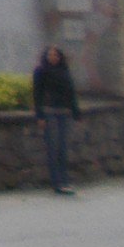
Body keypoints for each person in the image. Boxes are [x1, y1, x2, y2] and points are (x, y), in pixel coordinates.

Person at [33, 45, 81, 194]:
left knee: (63, 148)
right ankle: (57, 183)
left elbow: (71, 91)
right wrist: (39, 115)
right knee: (53, 148)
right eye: (50, 55)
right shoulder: (41, 71)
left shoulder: (64, 71)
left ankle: (65, 180)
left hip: (63, 113)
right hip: (49, 113)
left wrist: (75, 111)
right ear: (46, 57)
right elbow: (37, 93)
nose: (53, 57)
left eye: (56, 55)